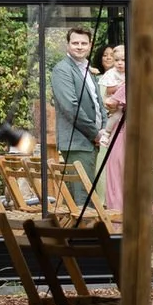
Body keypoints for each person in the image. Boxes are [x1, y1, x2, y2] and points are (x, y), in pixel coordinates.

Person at [45, 26, 105, 192]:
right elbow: (71, 107)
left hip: (92, 142)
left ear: (90, 45)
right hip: (77, 142)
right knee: (82, 198)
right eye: (75, 43)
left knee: (88, 195)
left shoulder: (87, 69)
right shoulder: (62, 69)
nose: (79, 47)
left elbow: (98, 102)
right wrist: (95, 133)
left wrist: (104, 128)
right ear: (68, 45)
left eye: (84, 43)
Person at [98, 43, 128, 213]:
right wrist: (122, 86)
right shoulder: (112, 74)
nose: (119, 63)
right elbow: (110, 96)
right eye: (117, 60)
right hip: (117, 113)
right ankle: (107, 133)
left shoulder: (131, 74)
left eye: (123, 60)